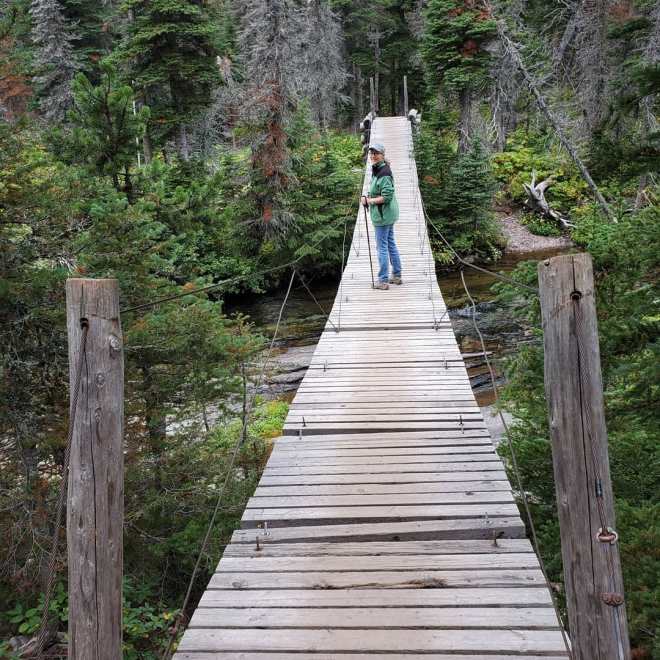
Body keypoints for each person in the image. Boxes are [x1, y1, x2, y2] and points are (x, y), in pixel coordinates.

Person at [361, 142, 402, 290]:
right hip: (387, 214)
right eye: (371, 153)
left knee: (382, 247)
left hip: (383, 216)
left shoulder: (384, 173)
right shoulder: (378, 169)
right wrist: (368, 196)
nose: (373, 156)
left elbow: (387, 197)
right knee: (390, 243)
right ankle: (396, 276)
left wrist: (369, 201)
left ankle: (383, 281)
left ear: (382, 155)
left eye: (376, 153)